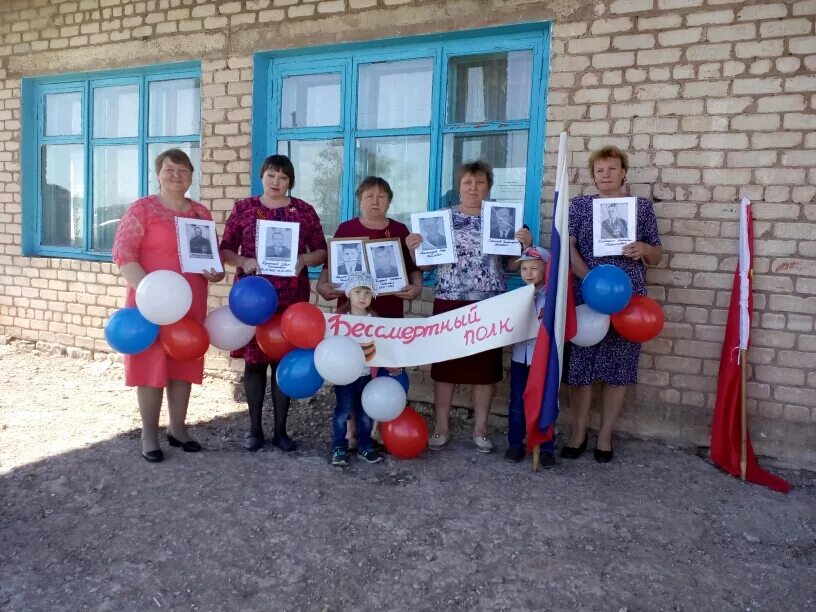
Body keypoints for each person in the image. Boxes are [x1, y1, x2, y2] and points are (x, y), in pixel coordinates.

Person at [406, 160, 532, 453]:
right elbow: (425, 265)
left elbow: (512, 266)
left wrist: (524, 245)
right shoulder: (441, 219)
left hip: (489, 303)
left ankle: (481, 430)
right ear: (458, 187)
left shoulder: (502, 217)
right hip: (450, 299)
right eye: (467, 182)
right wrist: (415, 249)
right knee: (445, 367)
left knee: (485, 370)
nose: (473, 188)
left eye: (479, 182)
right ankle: (441, 427)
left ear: (488, 186)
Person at [112, 148, 225, 463]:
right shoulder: (142, 209)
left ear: (192, 175)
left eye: (183, 170)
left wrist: (216, 272)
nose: (176, 175)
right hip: (150, 303)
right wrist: (149, 290)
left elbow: (212, 261)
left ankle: (178, 429)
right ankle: (149, 433)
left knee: (183, 361)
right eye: (169, 169)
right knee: (151, 363)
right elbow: (124, 254)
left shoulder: (200, 213)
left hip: (190, 301)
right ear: (158, 173)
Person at [219, 154, 327, 452]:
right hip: (253, 299)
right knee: (254, 364)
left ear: (290, 180)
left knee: (284, 364)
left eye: (282, 176)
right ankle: (254, 430)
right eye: (270, 175)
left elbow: (321, 250)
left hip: (290, 298)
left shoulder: (303, 211)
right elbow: (226, 249)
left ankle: (281, 431)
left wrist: (304, 259)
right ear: (261, 177)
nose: (276, 182)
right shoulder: (244, 208)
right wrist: (244, 260)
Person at [563, 145, 662, 463]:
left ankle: (605, 435)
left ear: (623, 172)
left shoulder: (640, 208)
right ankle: (578, 432)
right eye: (599, 170)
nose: (605, 175)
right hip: (586, 296)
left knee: (618, 370)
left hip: (628, 301)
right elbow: (569, 247)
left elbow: (657, 255)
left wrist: (643, 247)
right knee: (581, 369)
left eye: (611, 169)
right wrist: (591, 280)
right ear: (593, 176)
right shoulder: (579, 206)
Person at [317, 176, 422, 449]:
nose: (375, 201)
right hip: (354, 317)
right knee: (355, 368)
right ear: (360, 200)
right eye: (369, 196)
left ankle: (378, 429)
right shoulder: (346, 228)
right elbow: (332, 262)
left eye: (381, 196)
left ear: (389, 200)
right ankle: (353, 432)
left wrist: (416, 287)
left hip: (388, 313)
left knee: (388, 365)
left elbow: (413, 267)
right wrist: (322, 282)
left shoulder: (399, 229)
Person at [504, 246, 555, 466]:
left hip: (542, 360)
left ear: (546, 269)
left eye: (534, 268)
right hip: (519, 358)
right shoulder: (516, 298)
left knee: (546, 401)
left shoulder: (554, 300)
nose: (528, 273)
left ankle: (546, 446)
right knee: (517, 401)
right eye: (524, 268)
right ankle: (516, 443)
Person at [329, 271, 384, 466]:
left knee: (364, 414)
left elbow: (383, 348)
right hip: (345, 377)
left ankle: (365, 447)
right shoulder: (339, 320)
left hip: (365, 375)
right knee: (342, 413)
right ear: (348, 294)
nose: (362, 297)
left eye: (367, 293)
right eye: (358, 291)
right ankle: (338, 447)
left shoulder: (376, 321)